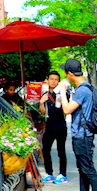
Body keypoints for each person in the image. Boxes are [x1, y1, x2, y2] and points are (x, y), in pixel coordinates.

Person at [59, 59, 97, 189]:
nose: (65, 77)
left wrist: (62, 91)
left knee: (88, 170)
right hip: (82, 135)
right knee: (83, 169)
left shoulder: (82, 90)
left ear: (70, 74)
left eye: (65, 73)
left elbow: (67, 109)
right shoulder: (87, 88)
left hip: (83, 136)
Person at [39, 71, 68, 184]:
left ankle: (63, 175)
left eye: (56, 79)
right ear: (47, 80)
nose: (53, 81)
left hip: (61, 125)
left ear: (59, 81)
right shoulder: (45, 94)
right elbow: (43, 112)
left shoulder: (63, 93)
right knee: (45, 149)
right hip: (50, 125)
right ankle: (49, 173)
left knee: (61, 151)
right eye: (51, 79)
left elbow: (66, 110)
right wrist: (41, 102)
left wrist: (62, 100)